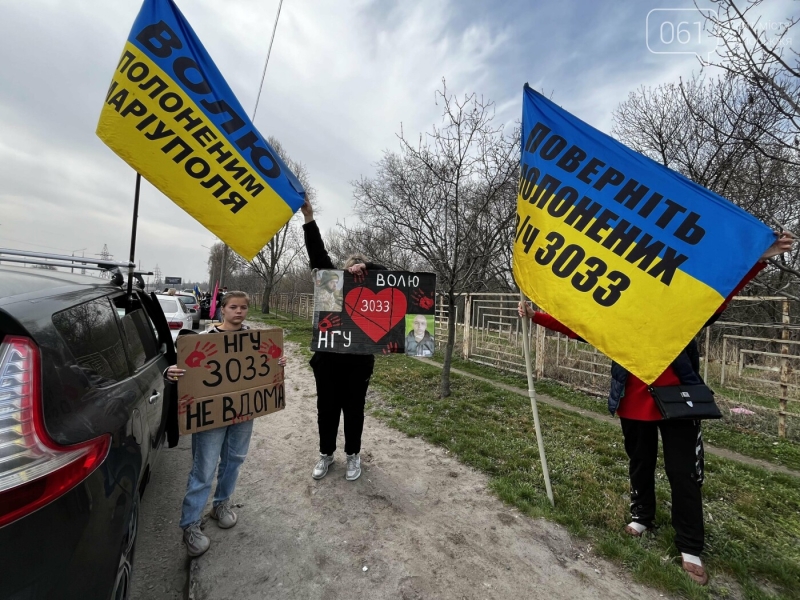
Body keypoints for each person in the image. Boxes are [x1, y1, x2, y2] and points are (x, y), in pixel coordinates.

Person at [518, 232, 794, 586]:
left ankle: (690, 546)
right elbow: (581, 326)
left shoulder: (679, 306)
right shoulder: (616, 307)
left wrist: (761, 256)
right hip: (632, 401)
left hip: (679, 403)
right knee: (640, 462)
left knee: (684, 473)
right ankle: (642, 515)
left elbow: (718, 295)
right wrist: (534, 315)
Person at [165, 291, 287, 557]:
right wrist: (170, 372)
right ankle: (191, 524)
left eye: (244, 307)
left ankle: (221, 504)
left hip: (244, 413)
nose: (239, 311)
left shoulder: (254, 340)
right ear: (222, 309)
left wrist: (278, 364)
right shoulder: (202, 340)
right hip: (211, 417)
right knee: (204, 468)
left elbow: (266, 369)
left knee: (235, 460)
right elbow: (178, 368)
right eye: (233, 307)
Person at [301, 198, 387, 482]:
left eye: (361, 270)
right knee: (326, 409)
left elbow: (388, 277)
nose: (356, 273)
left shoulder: (375, 282)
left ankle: (353, 455)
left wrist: (367, 266)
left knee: (354, 410)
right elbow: (317, 255)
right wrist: (309, 216)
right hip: (327, 360)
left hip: (359, 363)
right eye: (352, 269)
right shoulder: (332, 284)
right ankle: (326, 454)